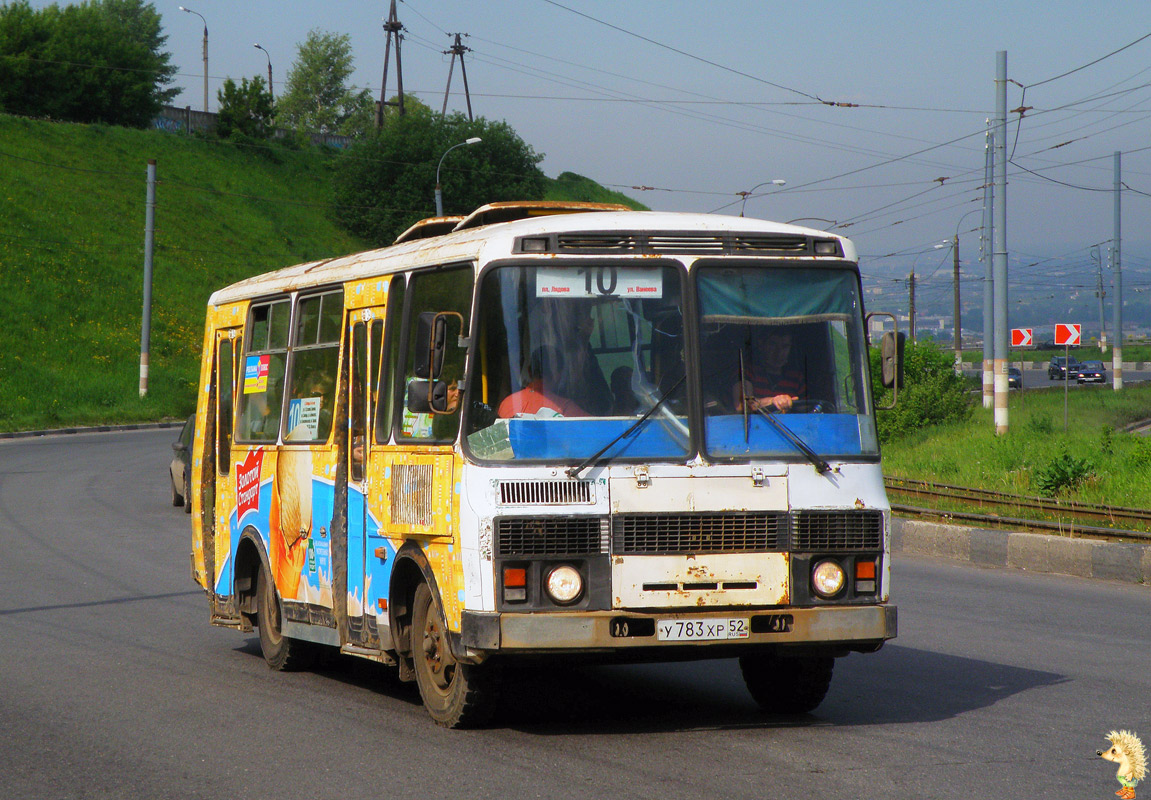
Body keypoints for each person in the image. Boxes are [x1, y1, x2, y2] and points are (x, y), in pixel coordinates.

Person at [498, 345, 588, 418]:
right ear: (559, 375)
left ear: (529, 371)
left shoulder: (507, 403)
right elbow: (596, 428)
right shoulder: (566, 408)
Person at [733, 327, 806, 413]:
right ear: (761, 345)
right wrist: (772, 401)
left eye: (785, 346)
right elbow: (742, 405)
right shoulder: (747, 372)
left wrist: (792, 404)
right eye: (773, 344)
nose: (779, 352)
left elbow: (807, 410)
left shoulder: (796, 377)